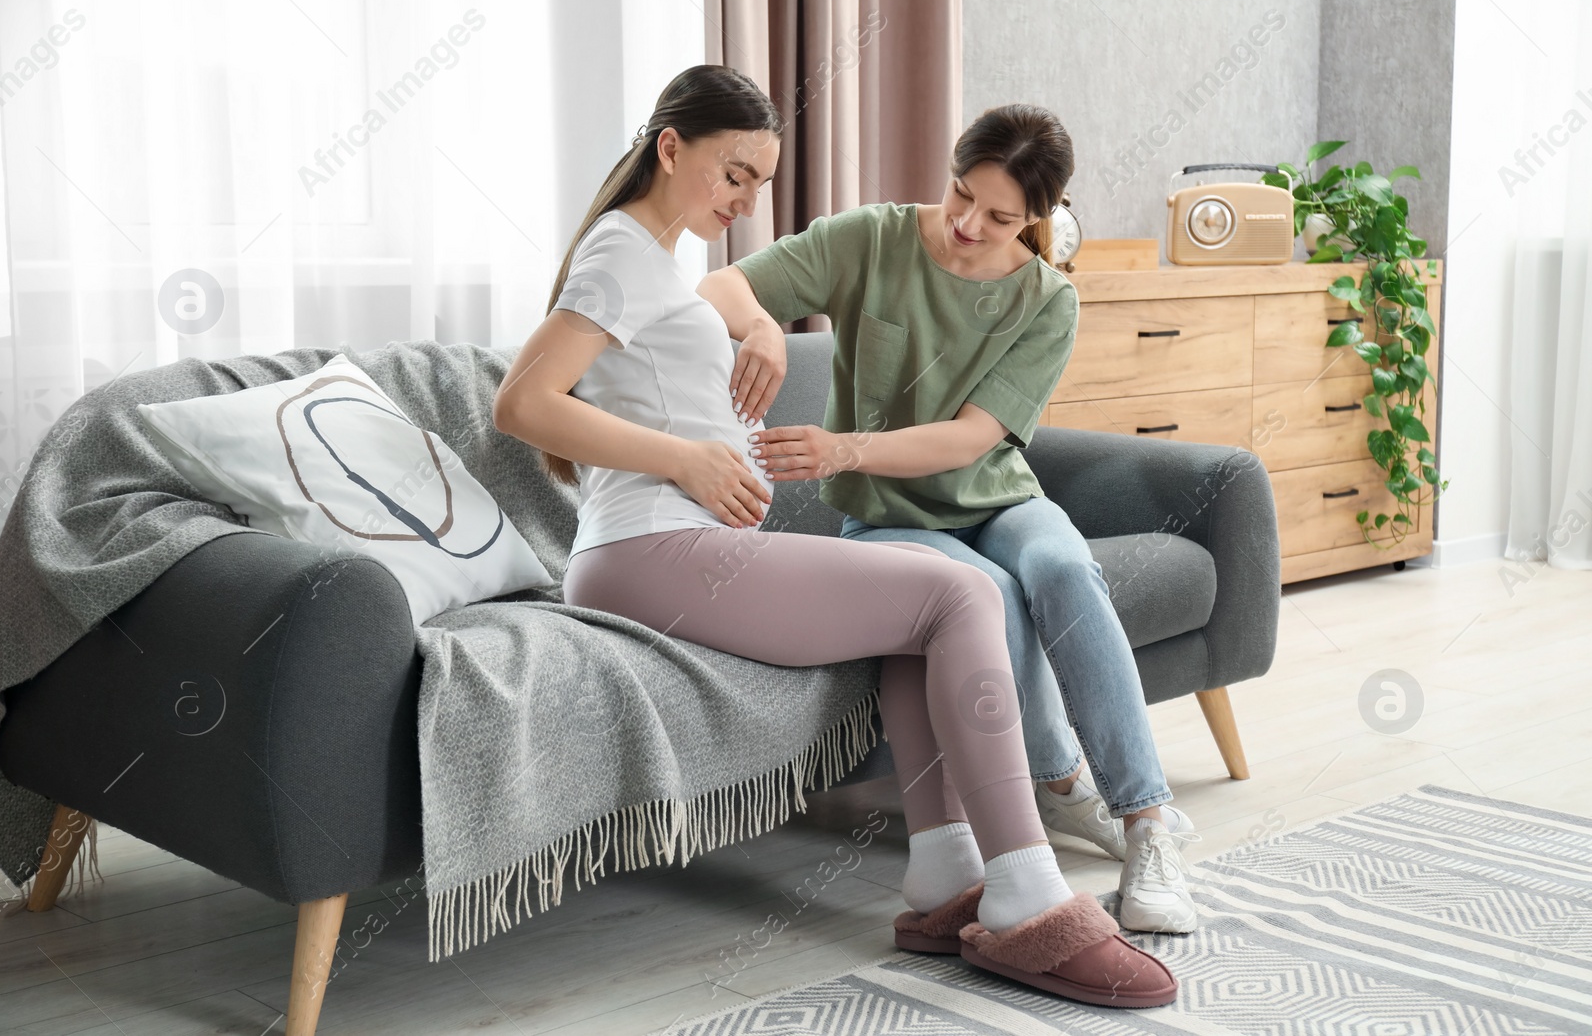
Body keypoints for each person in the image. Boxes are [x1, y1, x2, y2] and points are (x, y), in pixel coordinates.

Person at [491, 64, 1178, 1008]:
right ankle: (1026, 894)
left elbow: (721, 323)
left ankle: (944, 877)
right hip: (646, 548)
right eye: (732, 175)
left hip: (666, 547)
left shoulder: (657, 260)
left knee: (920, 598)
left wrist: (761, 336)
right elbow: (522, 404)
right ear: (669, 147)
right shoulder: (620, 253)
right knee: (961, 591)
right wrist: (684, 460)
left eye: (758, 186)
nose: (741, 202)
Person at [696, 102, 1200, 935]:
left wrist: (840, 449)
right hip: (889, 521)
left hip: (998, 495)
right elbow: (721, 284)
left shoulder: (1047, 301)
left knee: (1065, 567)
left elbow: (973, 438)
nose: (968, 224)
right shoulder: (872, 238)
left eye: (1001, 217)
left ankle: (1146, 825)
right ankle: (1061, 781)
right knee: (987, 594)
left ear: (1042, 216)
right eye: (961, 194)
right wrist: (759, 325)